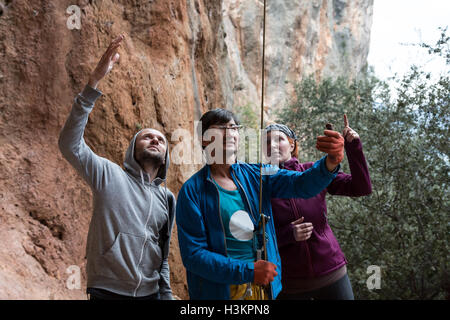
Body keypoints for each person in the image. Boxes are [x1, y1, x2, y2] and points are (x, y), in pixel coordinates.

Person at [175, 108, 345, 300]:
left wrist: (330, 162)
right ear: (205, 139)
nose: (229, 133)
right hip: (220, 293)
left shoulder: (260, 173)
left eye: (233, 127)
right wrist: (248, 271)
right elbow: (194, 256)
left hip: (265, 290)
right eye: (220, 128)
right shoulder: (192, 191)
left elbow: (301, 184)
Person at [58, 35, 175, 300]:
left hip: (150, 293)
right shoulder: (108, 175)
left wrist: (165, 294)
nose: (155, 139)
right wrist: (93, 83)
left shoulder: (167, 198)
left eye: (161, 139)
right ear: (132, 148)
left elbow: (163, 254)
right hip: (107, 290)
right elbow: (70, 145)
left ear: (166, 155)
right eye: (147, 136)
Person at [265, 116, 372, 300]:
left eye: (278, 139)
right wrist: (287, 235)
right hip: (290, 285)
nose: (273, 145)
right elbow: (256, 235)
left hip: (332, 275)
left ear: (292, 145)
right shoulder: (260, 185)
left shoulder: (315, 173)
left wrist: (353, 147)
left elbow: (361, 188)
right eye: (266, 142)